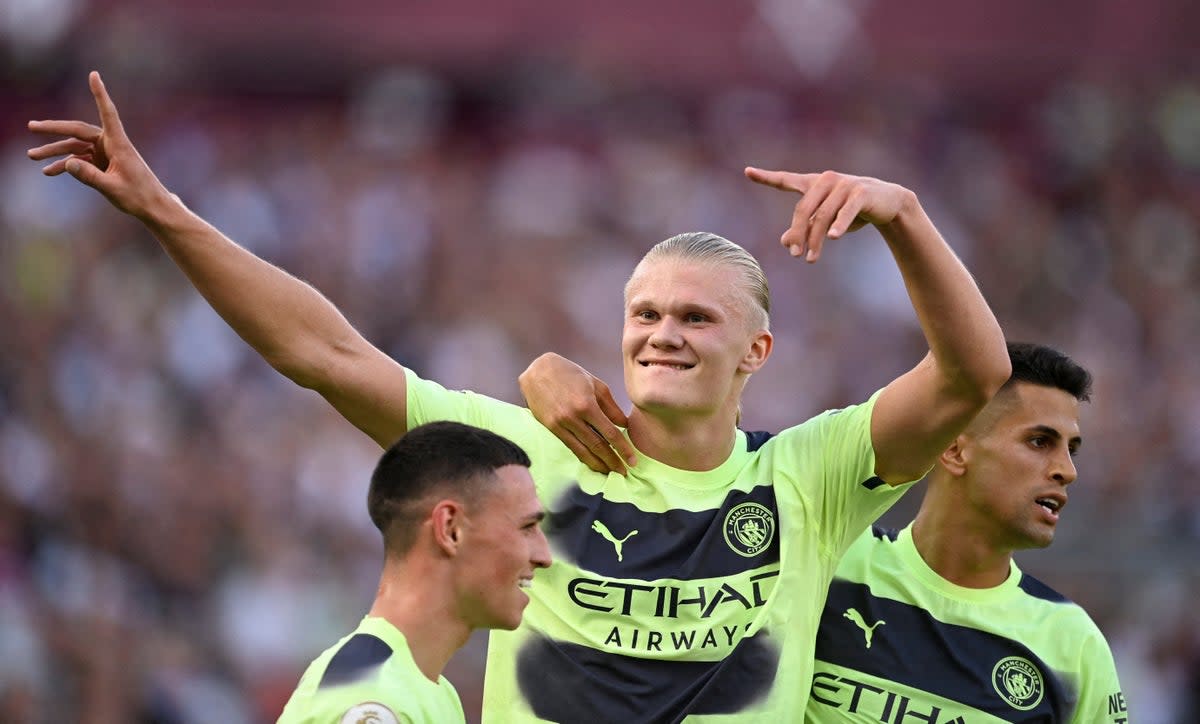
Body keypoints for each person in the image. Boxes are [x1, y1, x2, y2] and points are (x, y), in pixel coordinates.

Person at [28, 71, 1010, 722]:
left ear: (757, 348)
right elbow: (323, 351)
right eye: (644, 313)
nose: (662, 332)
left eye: (696, 319)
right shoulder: (521, 458)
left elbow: (974, 375)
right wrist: (166, 213)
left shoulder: (812, 477)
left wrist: (905, 216)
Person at [521, 342, 1128, 723]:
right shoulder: (822, 560)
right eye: (1039, 441)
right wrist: (550, 374)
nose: (1066, 470)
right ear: (953, 448)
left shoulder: (1070, 646)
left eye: (1072, 448)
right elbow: (692, 471)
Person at [275, 420, 551, 724]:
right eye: (527, 528)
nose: (544, 556)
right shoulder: (372, 698)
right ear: (450, 529)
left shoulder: (433, 691)